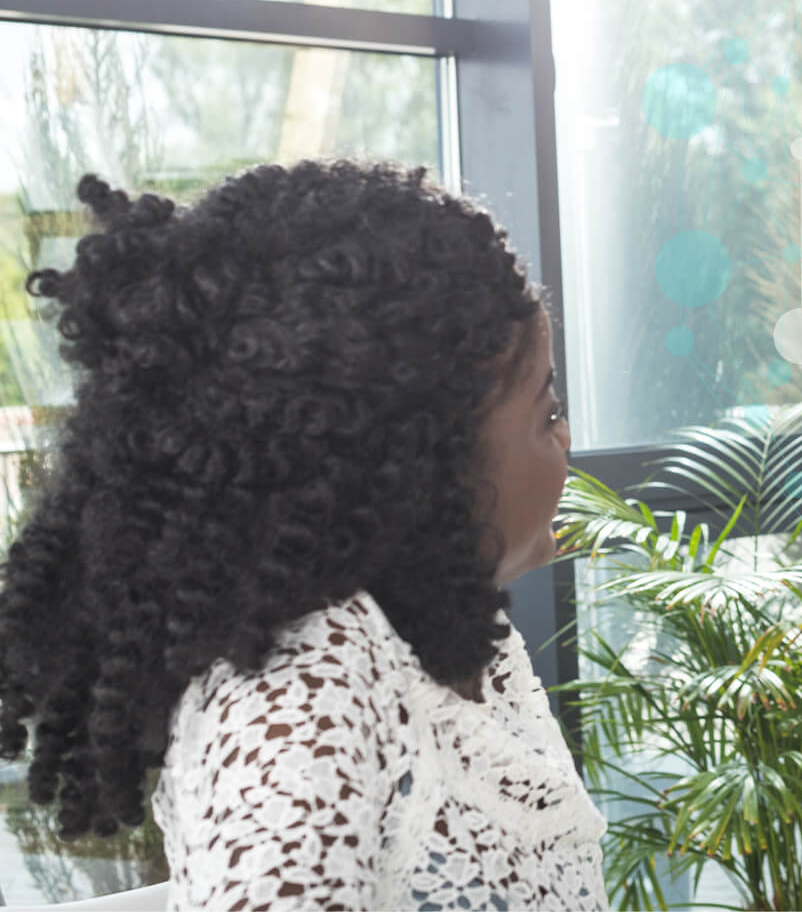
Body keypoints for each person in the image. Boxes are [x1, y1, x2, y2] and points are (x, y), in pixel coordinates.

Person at [0, 161, 608, 909]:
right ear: (422, 464)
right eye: (547, 413)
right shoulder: (305, 687)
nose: (566, 439)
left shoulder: (454, 640)